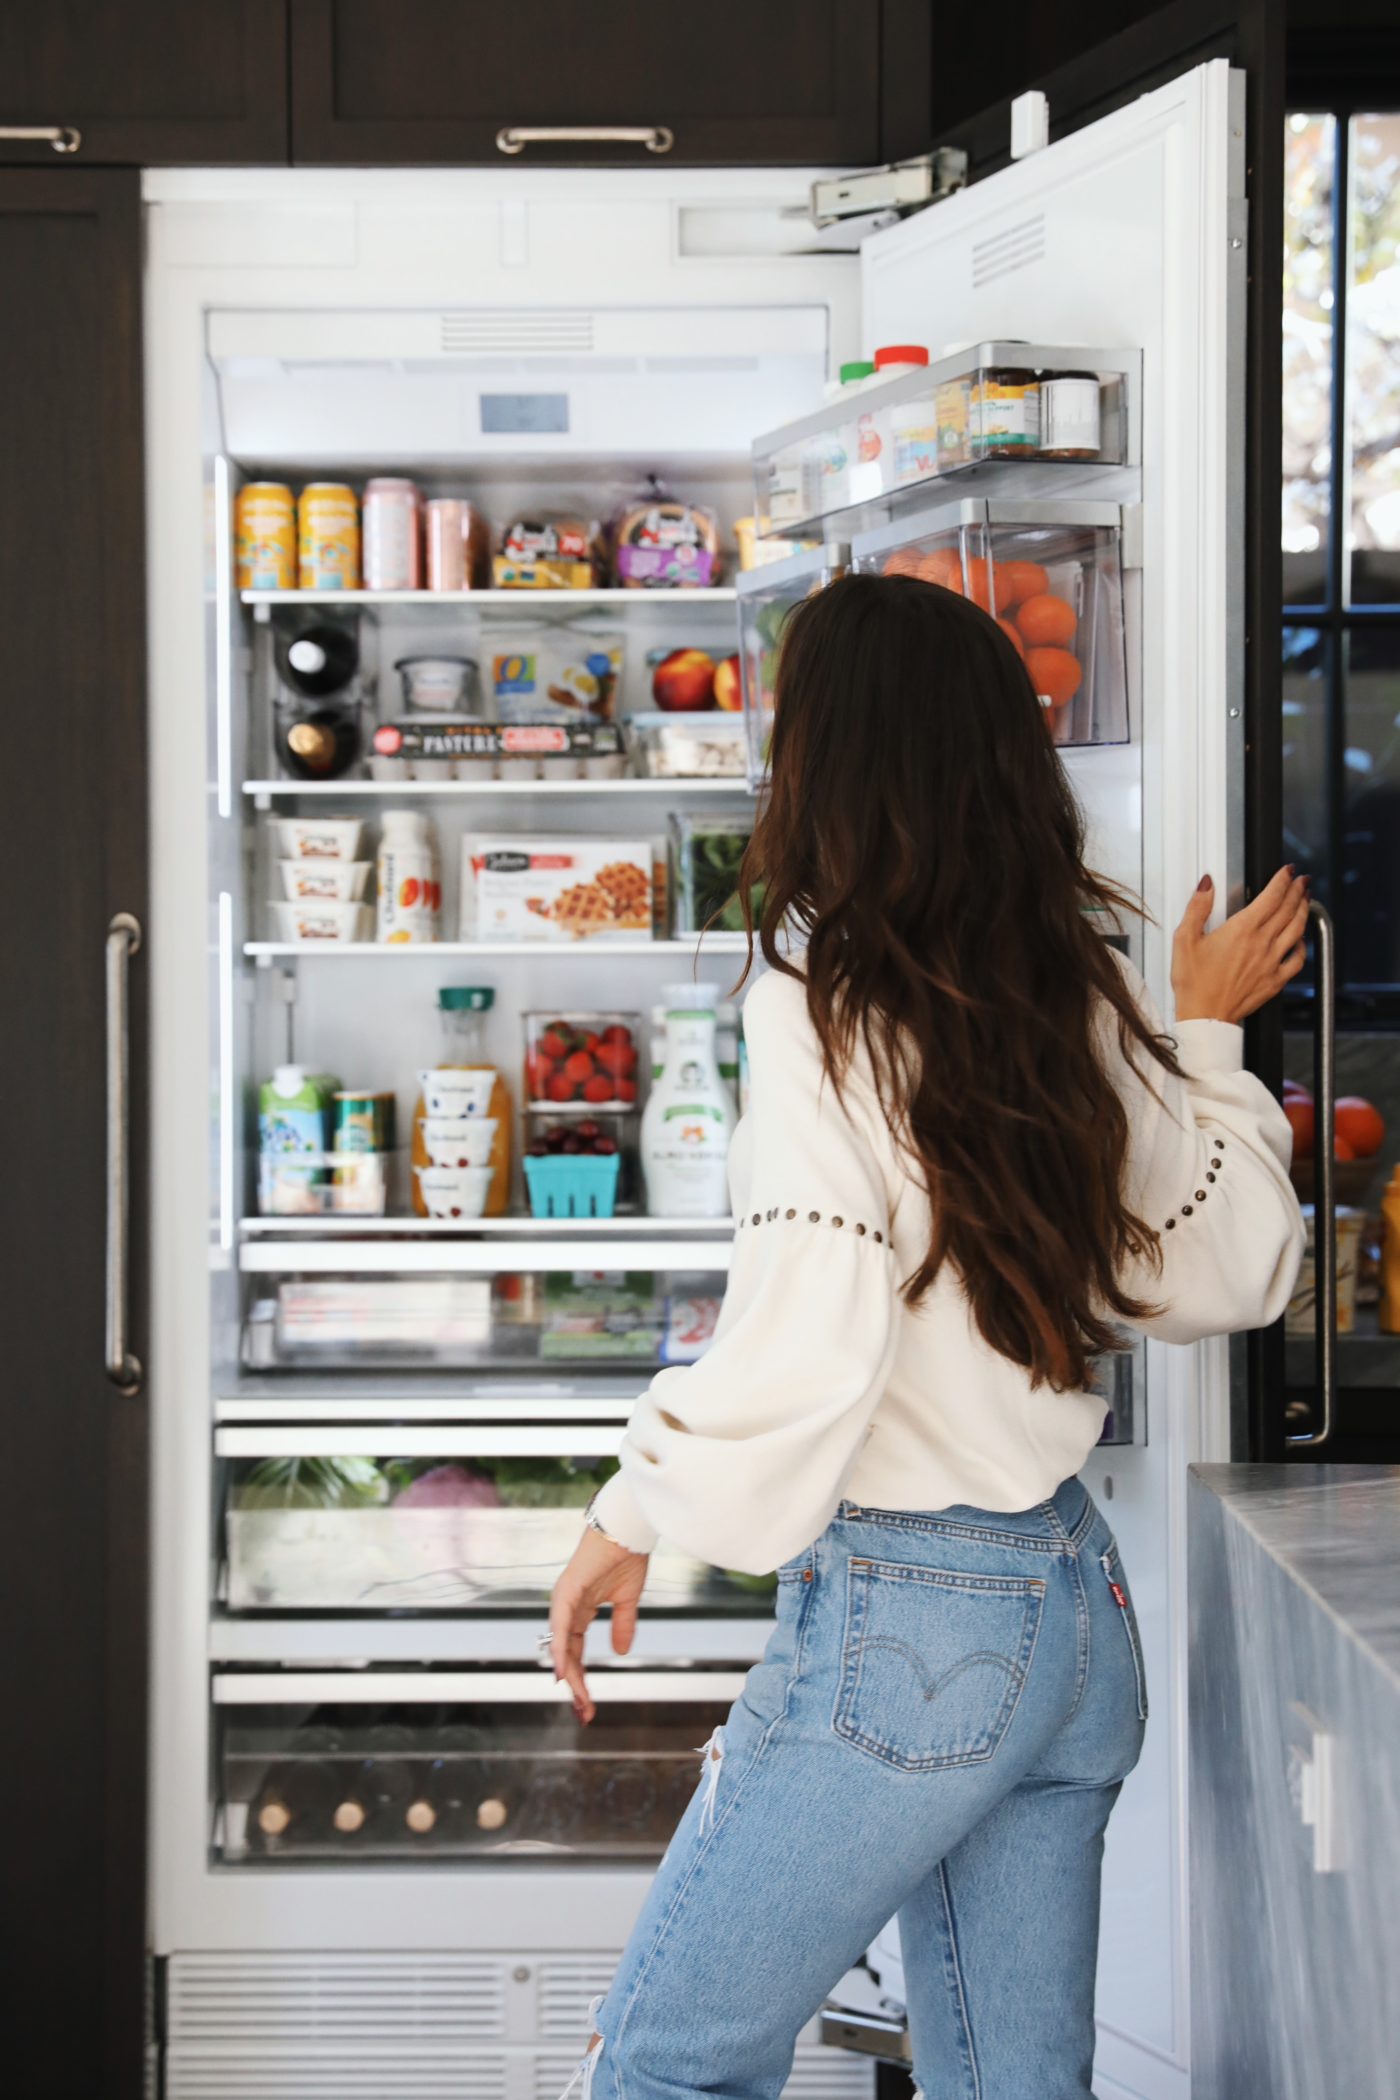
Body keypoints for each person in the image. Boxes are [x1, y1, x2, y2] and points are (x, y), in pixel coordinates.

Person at [548, 572, 1306, 2100]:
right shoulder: (1067, 991)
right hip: (1070, 1614)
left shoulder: (820, 997)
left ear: (826, 759)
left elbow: (804, 1337)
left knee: (664, 2069)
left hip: (912, 1631)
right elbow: (1236, 1265)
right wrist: (1207, 1037)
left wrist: (634, 1508)